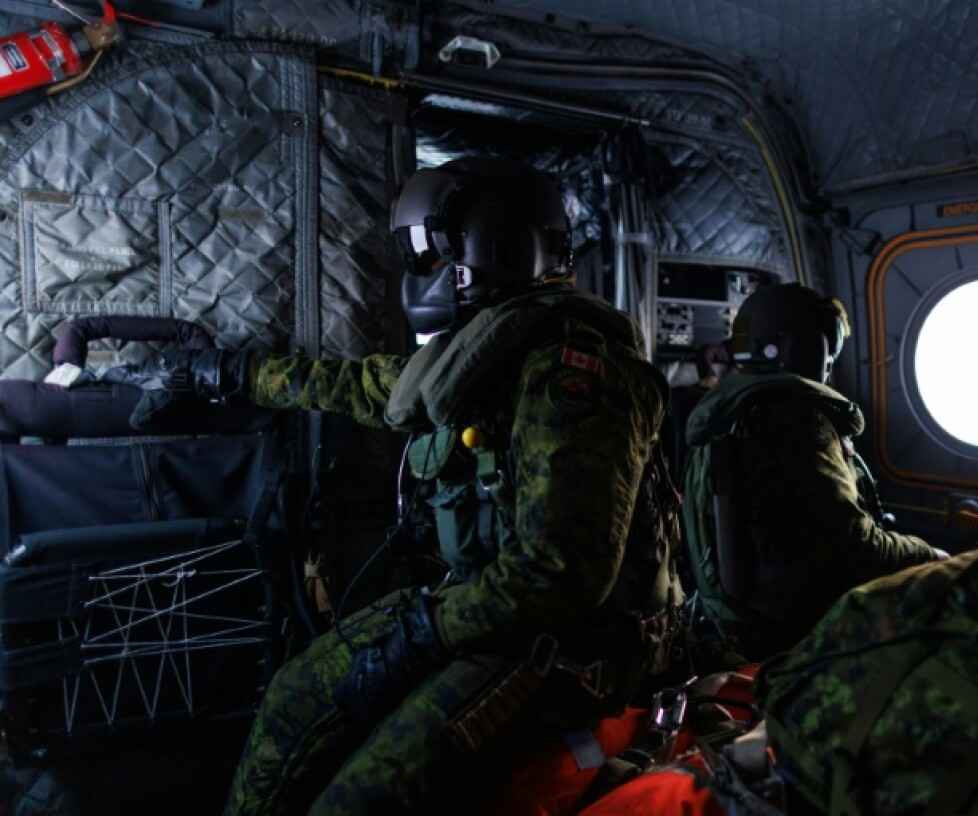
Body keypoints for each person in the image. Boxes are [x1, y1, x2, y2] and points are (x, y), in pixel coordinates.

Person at [104, 157, 684, 815]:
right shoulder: (484, 354)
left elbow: (559, 575)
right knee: (296, 694)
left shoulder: (574, 375)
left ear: (491, 249)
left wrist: (425, 637)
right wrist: (223, 373)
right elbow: (367, 386)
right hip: (488, 607)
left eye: (438, 257)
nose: (426, 276)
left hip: (575, 646)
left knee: (363, 798)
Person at [681, 283, 947, 668]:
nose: (829, 366)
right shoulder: (792, 419)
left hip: (740, 621)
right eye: (828, 352)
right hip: (793, 633)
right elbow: (853, 551)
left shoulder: (726, 408)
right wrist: (931, 557)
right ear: (807, 347)